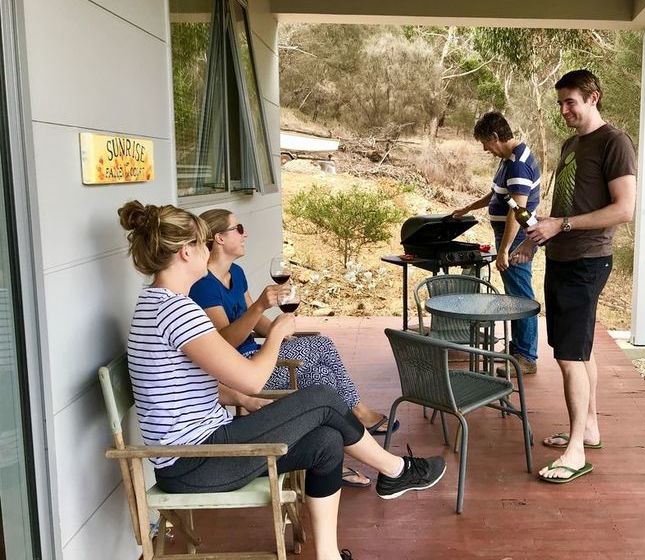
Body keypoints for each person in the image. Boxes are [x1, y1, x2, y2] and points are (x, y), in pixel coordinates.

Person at [118, 200, 446, 560]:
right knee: (321, 396)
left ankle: (328, 555)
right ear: (185, 252)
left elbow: (179, 385)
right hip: (197, 461)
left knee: (326, 441)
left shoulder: (154, 304)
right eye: (202, 244)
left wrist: (239, 400)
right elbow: (254, 379)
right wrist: (275, 333)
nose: (206, 252)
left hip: (196, 452)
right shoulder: (178, 313)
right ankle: (395, 469)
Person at [190, 208, 398, 488]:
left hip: (262, 356)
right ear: (219, 238)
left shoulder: (236, 274)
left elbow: (256, 321)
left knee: (321, 376)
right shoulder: (203, 286)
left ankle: (334, 456)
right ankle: (358, 412)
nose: (245, 233)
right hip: (245, 368)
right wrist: (264, 310)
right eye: (238, 228)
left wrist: (284, 337)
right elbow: (226, 342)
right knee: (322, 345)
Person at [511, 69, 636, 484]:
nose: (564, 110)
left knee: (568, 356)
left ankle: (576, 452)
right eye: (560, 103)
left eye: (571, 102)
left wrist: (560, 225)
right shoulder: (571, 144)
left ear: (593, 98)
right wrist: (533, 240)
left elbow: (623, 210)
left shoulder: (614, 142)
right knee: (579, 351)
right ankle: (589, 429)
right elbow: (560, 209)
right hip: (563, 258)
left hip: (587, 261)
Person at [452, 111, 540, 374]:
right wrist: (469, 207)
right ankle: (518, 349)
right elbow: (497, 193)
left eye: (485, 142)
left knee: (521, 296)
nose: (484, 148)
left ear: (494, 136)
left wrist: (503, 251)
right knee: (514, 294)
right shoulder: (510, 159)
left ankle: (526, 357)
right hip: (508, 235)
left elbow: (518, 210)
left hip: (517, 237)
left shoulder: (517, 164)